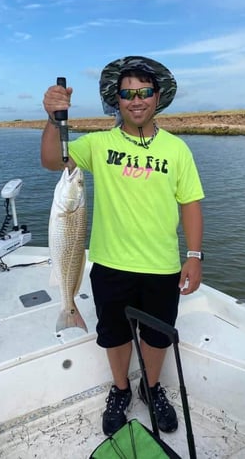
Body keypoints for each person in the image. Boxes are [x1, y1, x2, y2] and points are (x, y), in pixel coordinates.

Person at [41, 56, 204, 436]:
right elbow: (52, 160)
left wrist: (193, 256)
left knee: (158, 335)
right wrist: (52, 119)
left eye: (144, 92)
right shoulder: (98, 144)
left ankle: (151, 387)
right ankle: (120, 388)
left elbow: (190, 203)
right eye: (127, 93)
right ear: (116, 101)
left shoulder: (177, 150)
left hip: (162, 264)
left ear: (158, 97)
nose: (136, 100)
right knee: (113, 333)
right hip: (110, 263)